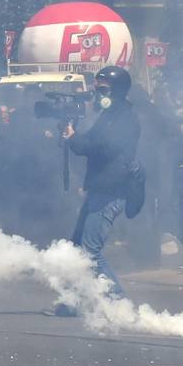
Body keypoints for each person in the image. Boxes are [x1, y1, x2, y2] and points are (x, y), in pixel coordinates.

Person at [55, 65, 142, 315]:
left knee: (89, 251)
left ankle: (119, 304)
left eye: (102, 88)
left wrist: (72, 138)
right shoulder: (110, 114)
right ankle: (72, 304)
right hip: (99, 189)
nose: (96, 91)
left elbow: (100, 147)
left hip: (111, 192)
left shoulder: (124, 117)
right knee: (75, 249)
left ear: (117, 90)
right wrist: (72, 134)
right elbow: (91, 142)